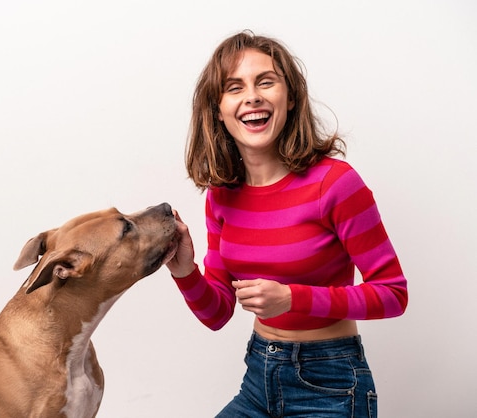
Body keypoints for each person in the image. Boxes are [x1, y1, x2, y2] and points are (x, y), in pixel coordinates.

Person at [165, 30, 408, 418]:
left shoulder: (335, 183)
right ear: (218, 109)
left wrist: (294, 298)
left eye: (266, 82)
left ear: (290, 97)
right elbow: (218, 313)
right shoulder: (221, 195)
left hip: (330, 382)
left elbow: (393, 294)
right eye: (234, 87)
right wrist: (184, 271)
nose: (252, 96)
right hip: (258, 376)